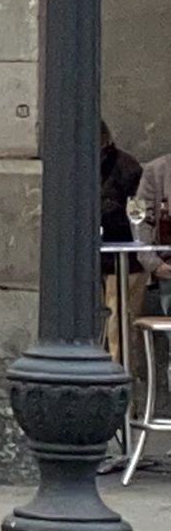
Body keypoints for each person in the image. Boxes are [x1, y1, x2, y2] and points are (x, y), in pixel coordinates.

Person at [101, 121, 146, 364]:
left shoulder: (126, 168)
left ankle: (119, 380)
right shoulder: (77, 167)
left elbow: (137, 214)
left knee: (119, 326)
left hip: (123, 261)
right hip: (94, 259)